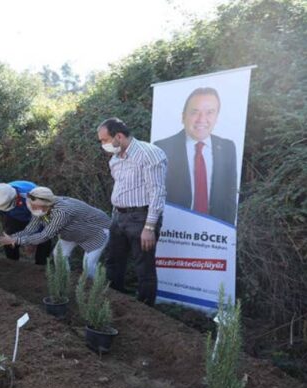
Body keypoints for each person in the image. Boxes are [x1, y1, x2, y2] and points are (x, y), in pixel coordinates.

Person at [97, 117, 167, 306]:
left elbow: (157, 192)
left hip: (141, 218)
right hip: (119, 216)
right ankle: (114, 304)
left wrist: (149, 227)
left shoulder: (149, 154)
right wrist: (115, 215)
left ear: (118, 136)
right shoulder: (115, 159)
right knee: (113, 262)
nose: (103, 145)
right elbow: (121, 188)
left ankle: (146, 313)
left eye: (104, 140)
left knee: (144, 268)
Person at [154, 87, 237, 224]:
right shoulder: (161, 148)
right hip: (175, 233)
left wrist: (226, 230)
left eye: (210, 112)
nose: (201, 119)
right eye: (195, 112)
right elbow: (154, 195)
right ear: (183, 116)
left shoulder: (227, 148)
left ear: (216, 117)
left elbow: (230, 196)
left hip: (214, 233)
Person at [0, 187, 111, 278]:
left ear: (47, 204)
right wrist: (12, 237)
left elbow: (45, 235)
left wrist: (15, 240)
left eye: (36, 206)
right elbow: (31, 229)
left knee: (88, 265)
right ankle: (66, 281)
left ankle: (97, 291)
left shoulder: (62, 212)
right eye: (32, 206)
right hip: (71, 232)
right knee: (59, 256)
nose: (33, 209)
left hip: (96, 231)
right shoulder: (38, 208)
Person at [0, 181, 53, 270]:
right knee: (8, 239)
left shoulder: (32, 196)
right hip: (15, 217)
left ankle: (40, 269)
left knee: (44, 241)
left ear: (15, 199)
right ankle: (13, 266)